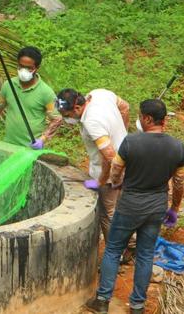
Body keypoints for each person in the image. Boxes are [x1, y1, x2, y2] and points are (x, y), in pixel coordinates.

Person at [85, 99, 184, 314]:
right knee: (145, 254)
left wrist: (117, 182)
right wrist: (174, 208)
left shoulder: (131, 142)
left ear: (147, 119)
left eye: (140, 116)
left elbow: (115, 169)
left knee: (113, 249)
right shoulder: (178, 147)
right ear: (164, 119)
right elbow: (178, 183)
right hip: (157, 205)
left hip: (131, 204)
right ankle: (138, 306)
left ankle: (102, 300)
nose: (139, 119)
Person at [55, 88, 134, 248]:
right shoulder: (99, 94)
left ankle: (118, 252)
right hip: (126, 159)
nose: (67, 119)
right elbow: (125, 107)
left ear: (77, 108)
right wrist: (123, 136)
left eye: (67, 115)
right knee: (122, 206)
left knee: (108, 213)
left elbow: (109, 156)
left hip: (112, 171)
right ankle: (131, 242)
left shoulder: (92, 121)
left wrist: (101, 181)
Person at [0, 46, 62, 149]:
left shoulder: (46, 92)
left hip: (31, 149)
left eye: (29, 68)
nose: (24, 70)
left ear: (37, 68)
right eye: (21, 66)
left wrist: (43, 139)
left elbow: (57, 119)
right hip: (8, 145)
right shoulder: (8, 85)